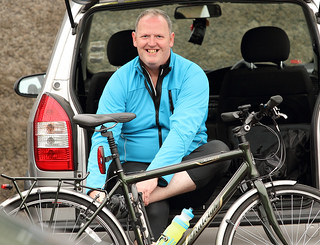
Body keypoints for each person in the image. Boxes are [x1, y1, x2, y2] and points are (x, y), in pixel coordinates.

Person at [86, 8, 230, 240]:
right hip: (134, 169)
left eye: (159, 36)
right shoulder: (119, 80)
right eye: (145, 36)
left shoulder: (192, 75)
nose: (151, 43)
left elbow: (183, 132)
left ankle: (134, 200)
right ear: (134, 39)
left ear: (171, 39)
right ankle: (142, 200)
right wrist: (92, 188)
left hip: (183, 178)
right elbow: (103, 135)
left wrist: (153, 177)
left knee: (220, 152)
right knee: (154, 209)